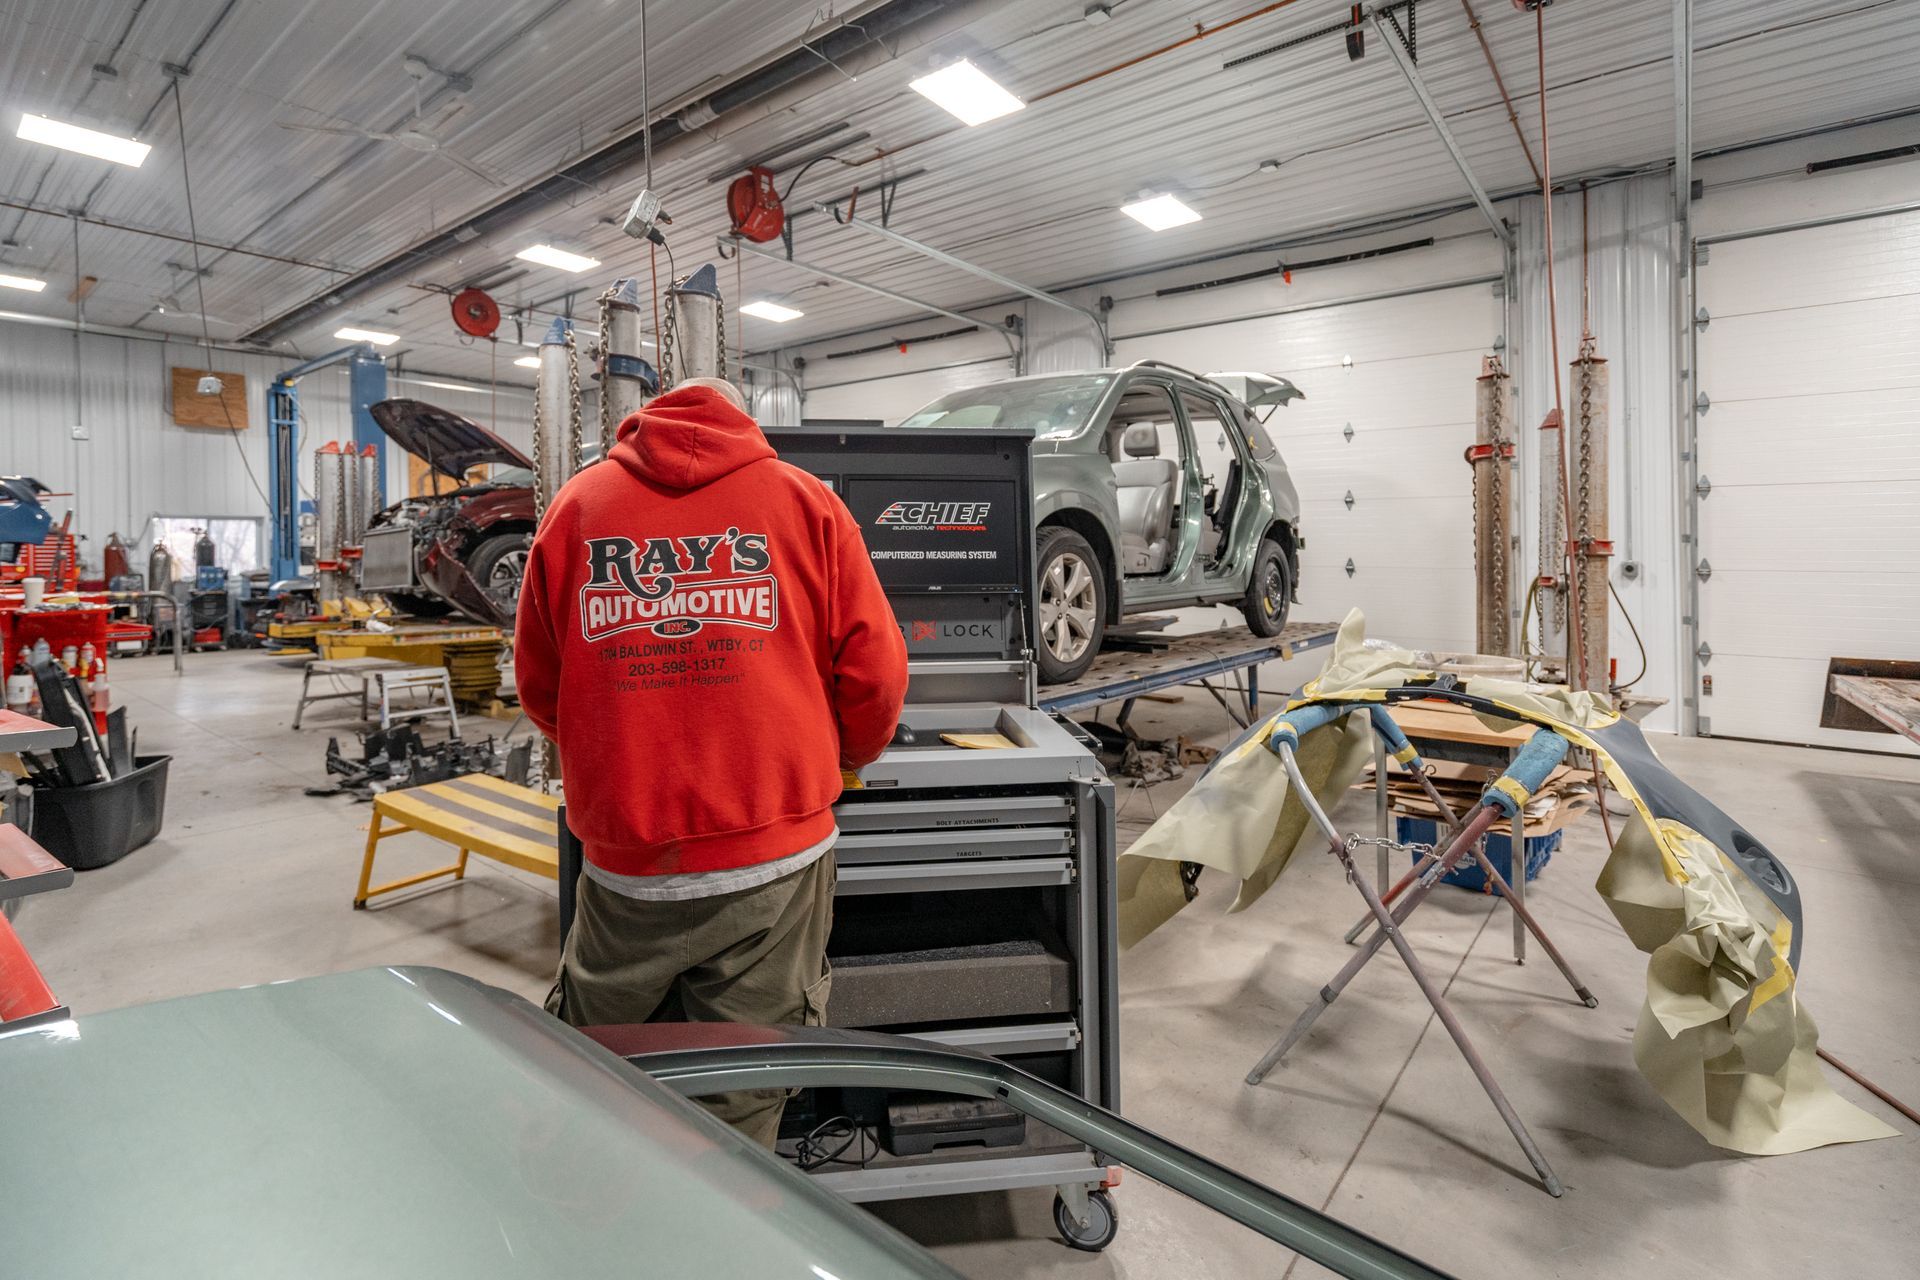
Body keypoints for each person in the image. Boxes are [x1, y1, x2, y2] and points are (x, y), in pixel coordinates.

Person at [515, 376, 908, 1146]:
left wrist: (620, 751)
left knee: (598, 1074)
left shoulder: (577, 509)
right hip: (774, 861)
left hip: (628, 869)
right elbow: (876, 675)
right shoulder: (806, 503)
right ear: (744, 418)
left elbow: (539, 686)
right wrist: (843, 756)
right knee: (742, 1091)